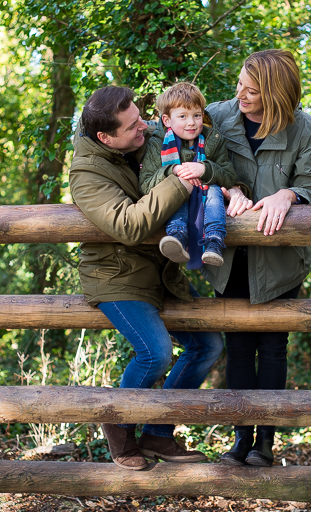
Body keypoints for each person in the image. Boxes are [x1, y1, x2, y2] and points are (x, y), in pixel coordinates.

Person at [68, 85, 224, 471]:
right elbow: (129, 224)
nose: (146, 126)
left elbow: (205, 145)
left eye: (142, 117)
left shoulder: (148, 137)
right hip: (116, 277)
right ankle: (120, 433)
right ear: (106, 137)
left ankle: (158, 433)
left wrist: (227, 186)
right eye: (134, 125)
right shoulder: (86, 173)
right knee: (155, 354)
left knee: (207, 346)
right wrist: (185, 182)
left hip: (159, 274)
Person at [202, 50, 311, 467]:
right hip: (229, 257)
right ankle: (240, 440)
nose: (240, 94)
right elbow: (193, 163)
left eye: (252, 90)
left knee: (273, 347)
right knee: (237, 347)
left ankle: (265, 443)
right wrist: (225, 187)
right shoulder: (217, 116)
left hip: (280, 261)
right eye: (239, 84)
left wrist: (286, 194)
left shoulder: (304, 128)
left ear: (275, 95)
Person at [140, 82, 239, 268]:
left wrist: (205, 169)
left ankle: (214, 240)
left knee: (214, 189)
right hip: (176, 204)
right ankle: (176, 235)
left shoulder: (213, 139)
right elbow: (146, 185)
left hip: (207, 199)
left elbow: (229, 176)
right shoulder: (157, 143)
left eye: (197, 115)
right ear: (167, 120)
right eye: (183, 116)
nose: (191, 122)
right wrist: (173, 171)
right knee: (177, 188)